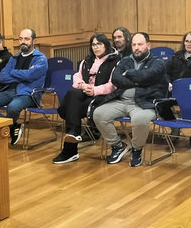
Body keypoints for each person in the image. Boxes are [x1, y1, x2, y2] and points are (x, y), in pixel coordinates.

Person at [92, 32, 167, 167]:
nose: (136, 48)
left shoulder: (158, 62)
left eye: (140, 44)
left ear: (148, 45)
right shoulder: (125, 60)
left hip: (145, 103)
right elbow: (116, 78)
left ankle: (137, 149)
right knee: (98, 114)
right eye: (134, 45)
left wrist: (130, 74)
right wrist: (138, 81)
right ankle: (118, 146)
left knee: (139, 120)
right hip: (122, 101)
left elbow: (147, 75)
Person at [52, 33, 119, 164]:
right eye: (93, 44)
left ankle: (70, 150)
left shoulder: (115, 61)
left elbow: (113, 85)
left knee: (72, 109)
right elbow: (77, 76)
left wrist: (94, 90)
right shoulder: (87, 60)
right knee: (72, 93)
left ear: (106, 45)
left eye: (99, 44)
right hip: (85, 91)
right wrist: (82, 85)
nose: (96, 47)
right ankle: (74, 133)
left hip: (103, 97)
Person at [0, 28, 48, 145]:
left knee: (13, 107)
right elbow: (3, 76)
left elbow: (30, 76)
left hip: (28, 93)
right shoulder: (15, 57)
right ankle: (12, 126)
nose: (23, 42)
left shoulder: (40, 59)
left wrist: (14, 72)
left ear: (34, 41)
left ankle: (6, 128)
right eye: (20, 39)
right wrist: (22, 74)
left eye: (26, 39)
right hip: (10, 90)